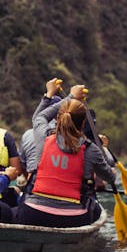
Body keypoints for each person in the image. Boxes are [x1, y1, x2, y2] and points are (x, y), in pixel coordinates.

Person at [14, 89, 116, 227]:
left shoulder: (43, 138)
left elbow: (40, 116)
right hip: (73, 219)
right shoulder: (91, 149)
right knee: (96, 209)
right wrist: (112, 173)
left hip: (33, 213)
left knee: (12, 211)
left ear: (58, 117)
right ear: (83, 122)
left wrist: (70, 96)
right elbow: (109, 177)